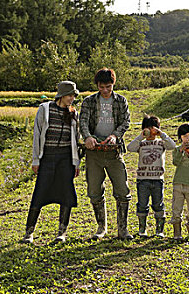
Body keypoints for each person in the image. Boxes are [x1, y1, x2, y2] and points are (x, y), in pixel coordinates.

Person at [22, 80, 80, 244]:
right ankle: (29, 233)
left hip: (66, 158)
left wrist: (76, 163)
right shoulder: (45, 109)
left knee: (66, 194)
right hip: (47, 157)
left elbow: (76, 139)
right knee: (40, 193)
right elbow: (37, 135)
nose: (72, 98)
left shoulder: (74, 113)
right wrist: (35, 159)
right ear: (61, 95)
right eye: (69, 95)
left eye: (73, 96)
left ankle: (62, 233)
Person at [80, 68, 133, 240]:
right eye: (102, 87)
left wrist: (114, 136)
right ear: (97, 85)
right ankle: (101, 227)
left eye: (108, 87)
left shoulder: (120, 101)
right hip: (94, 152)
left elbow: (126, 121)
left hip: (113, 151)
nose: (105, 91)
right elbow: (83, 122)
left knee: (122, 190)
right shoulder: (89, 101)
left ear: (113, 85)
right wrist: (87, 137)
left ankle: (122, 229)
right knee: (94, 190)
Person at [127, 115, 176, 237]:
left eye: (152, 128)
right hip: (142, 180)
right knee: (142, 204)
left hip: (158, 179)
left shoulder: (161, 143)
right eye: (147, 129)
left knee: (158, 204)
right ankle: (142, 229)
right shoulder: (141, 143)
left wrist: (161, 134)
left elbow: (172, 145)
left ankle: (160, 230)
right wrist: (140, 136)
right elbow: (130, 147)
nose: (150, 132)